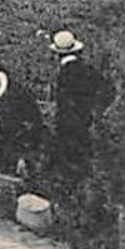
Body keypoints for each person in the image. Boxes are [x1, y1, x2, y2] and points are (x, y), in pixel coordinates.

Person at [47, 29, 114, 188]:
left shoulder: (64, 74)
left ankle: (72, 195)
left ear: (58, 54)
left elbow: (63, 104)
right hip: (85, 122)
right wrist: (97, 110)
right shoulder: (88, 70)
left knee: (68, 165)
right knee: (84, 160)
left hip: (67, 125)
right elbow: (109, 89)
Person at [0, 69, 44, 180]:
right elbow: (2, 131)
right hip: (12, 141)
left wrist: (22, 156)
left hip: (31, 142)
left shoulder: (21, 101)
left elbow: (32, 129)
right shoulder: (3, 107)